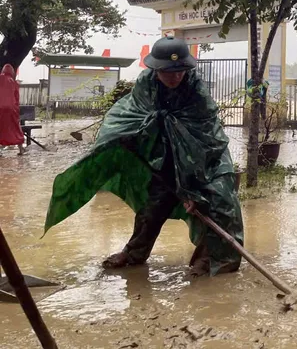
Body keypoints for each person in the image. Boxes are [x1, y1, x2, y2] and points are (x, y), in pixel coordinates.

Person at [44, 36, 244, 277]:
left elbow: (202, 138)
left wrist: (192, 189)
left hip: (207, 155)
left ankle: (213, 259)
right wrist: (130, 140)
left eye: (180, 70)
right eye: (168, 71)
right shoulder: (145, 86)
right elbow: (128, 117)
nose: (175, 76)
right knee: (154, 204)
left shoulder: (196, 92)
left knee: (219, 201)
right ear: (155, 68)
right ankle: (134, 253)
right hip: (163, 150)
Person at [0, 64, 26, 156]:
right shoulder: (14, 83)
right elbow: (16, 98)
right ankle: (21, 148)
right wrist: (16, 110)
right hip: (11, 109)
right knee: (15, 128)